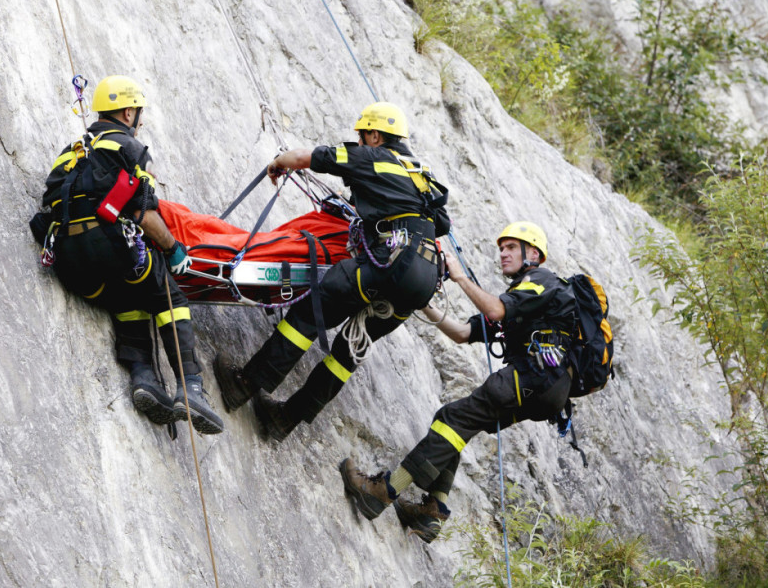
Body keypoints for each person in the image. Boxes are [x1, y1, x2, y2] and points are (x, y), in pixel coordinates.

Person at [214, 102, 448, 441]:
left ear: (374, 134)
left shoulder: (373, 157)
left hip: (394, 262)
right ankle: (285, 419)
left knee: (312, 310)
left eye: (363, 135)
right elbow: (440, 223)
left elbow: (305, 158)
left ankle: (246, 384)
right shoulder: (423, 175)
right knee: (350, 350)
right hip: (424, 279)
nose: (361, 139)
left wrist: (278, 164)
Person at [339, 222, 575, 543]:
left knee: (452, 419)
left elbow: (494, 309)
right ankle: (432, 512)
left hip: (535, 374)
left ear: (533, 253)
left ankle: (383, 491)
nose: (502, 254)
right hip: (549, 391)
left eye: (511, 247)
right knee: (452, 422)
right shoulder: (525, 304)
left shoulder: (540, 280)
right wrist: (423, 299)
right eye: (501, 248)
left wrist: (459, 276)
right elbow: (462, 333)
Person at [40, 75, 223, 434]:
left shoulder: (72, 150)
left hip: (71, 266)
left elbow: (50, 201)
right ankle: (192, 388)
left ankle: (144, 377)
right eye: (138, 113)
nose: (139, 120)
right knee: (169, 293)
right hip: (109, 248)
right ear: (128, 112)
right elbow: (143, 212)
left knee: (128, 295)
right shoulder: (130, 148)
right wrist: (172, 249)